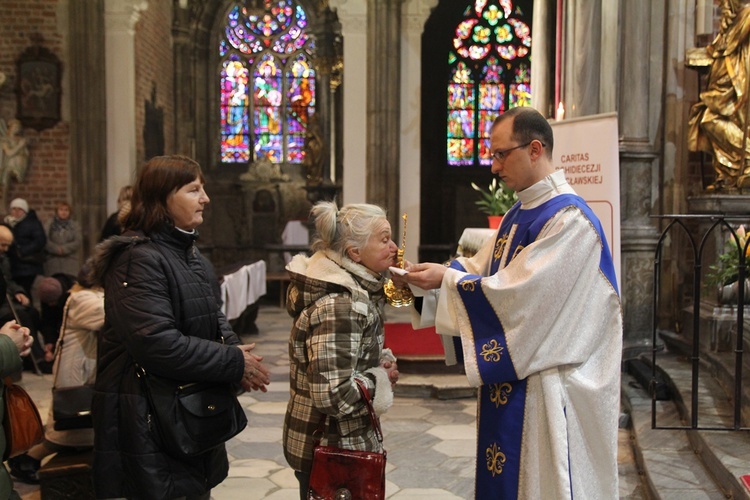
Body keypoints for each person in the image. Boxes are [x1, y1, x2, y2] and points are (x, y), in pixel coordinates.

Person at [401, 106, 623, 499]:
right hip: (522, 378)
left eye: (501, 154)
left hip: (551, 389)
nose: (493, 166)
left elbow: (523, 295)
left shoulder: (570, 221)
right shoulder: (520, 212)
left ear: (535, 149)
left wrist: (448, 281)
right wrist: (427, 282)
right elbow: (482, 270)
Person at [88, 154, 271, 500]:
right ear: (162, 198)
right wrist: (232, 361)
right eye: (194, 190)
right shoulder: (137, 259)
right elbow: (157, 343)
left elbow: (212, 315)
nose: (206, 198)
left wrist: (237, 358)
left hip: (183, 411)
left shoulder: (187, 253)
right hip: (144, 417)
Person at [283, 201, 400, 499]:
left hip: (341, 441)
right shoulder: (341, 305)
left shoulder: (356, 289)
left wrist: (378, 360)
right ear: (354, 252)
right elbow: (332, 394)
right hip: (333, 446)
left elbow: (350, 353)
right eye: (384, 239)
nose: (395, 247)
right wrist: (379, 379)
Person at [8, 260, 103, 485]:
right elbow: (111, 314)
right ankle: (26, 460)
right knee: (70, 430)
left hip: (83, 371)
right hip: (78, 375)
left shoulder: (85, 296)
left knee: (79, 430)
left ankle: (27, 458)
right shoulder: (84, 299)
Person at [687, 0, 750, 190]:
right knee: (708, 119)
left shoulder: (746, 14)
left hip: (739, 77)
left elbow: (729, 44)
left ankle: (745, 160)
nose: (719, 4)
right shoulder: (732, 21)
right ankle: (729, 173)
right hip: (728, 76)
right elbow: (719, 48)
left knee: (710, 119)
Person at [0, 224, 44, 373]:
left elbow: (8, 281)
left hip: (8, 299)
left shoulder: (3, 259)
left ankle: (33, 353)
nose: (5, 249)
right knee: (21, 317)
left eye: (7, 246)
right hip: (2, 306)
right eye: (2, 245)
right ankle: (37, 358)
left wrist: (18, 291)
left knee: (33, 313)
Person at [4, 198, 46, 296]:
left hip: (27, 264)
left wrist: (22, 251)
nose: (16, 212)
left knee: (25, 291)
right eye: (14, 209)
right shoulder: (8, 223)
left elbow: (40, 241)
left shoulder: (33, 223)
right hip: (12, 264)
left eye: (19, 209)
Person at [44, 201, 82, 279]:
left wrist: (64, 249)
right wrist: (55, 248)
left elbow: (78, 241)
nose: (63, 212)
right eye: (61, 209)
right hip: (53, 261)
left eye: (66, 210)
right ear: (57, 211)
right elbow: (45, 239)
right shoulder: (49, 224)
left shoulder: (75, 225)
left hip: (70, 261)